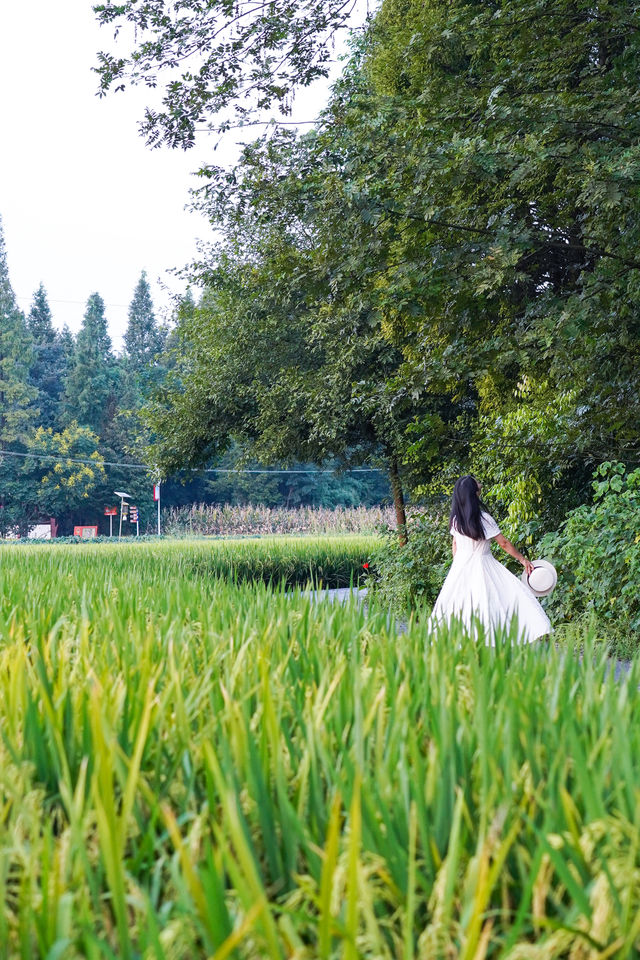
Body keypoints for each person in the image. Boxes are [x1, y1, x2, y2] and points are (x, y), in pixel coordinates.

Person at [431, 475, 551, 643]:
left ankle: (463, 639)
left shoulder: (456, 519)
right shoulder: (483, 518)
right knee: (496, 597)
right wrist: (523, 560)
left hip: (461, 565)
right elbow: (503, 543)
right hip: (483, 563)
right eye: (477, 482)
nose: (480, 483)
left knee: (460, 602)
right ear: (475, 492)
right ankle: (493, 638)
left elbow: (455, 544)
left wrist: (457, 564)